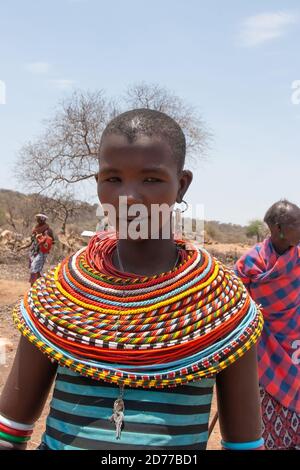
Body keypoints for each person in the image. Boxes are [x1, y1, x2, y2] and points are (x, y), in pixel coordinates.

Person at [0, 109, 264, 451]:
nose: (129, 197)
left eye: (151, 179)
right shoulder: (61, 294)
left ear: (181, 184)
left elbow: (244, 445)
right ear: (97, 184)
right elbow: (10, 431)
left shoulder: (222, 306)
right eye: (113, 179)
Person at [235, 200, 300, 450]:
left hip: (295, 344)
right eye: (297, 224)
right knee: (264, 404)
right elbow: (236, 302)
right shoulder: (250, 263)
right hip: (262, 348)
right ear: (278, 228)